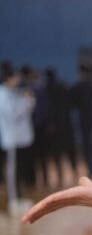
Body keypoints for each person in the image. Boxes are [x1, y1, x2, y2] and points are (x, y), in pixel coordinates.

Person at [0, 66, 35, 213]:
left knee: (19, 171)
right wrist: (26, 103)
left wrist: (27, 101)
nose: (18, 80)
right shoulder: (2, 94)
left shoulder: (13, 92)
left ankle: (19, 198)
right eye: (15, 77)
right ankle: (13, 201)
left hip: (19, 139)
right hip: (11, 140)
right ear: (8, 78)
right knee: (12, 172)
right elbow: (12, 114)